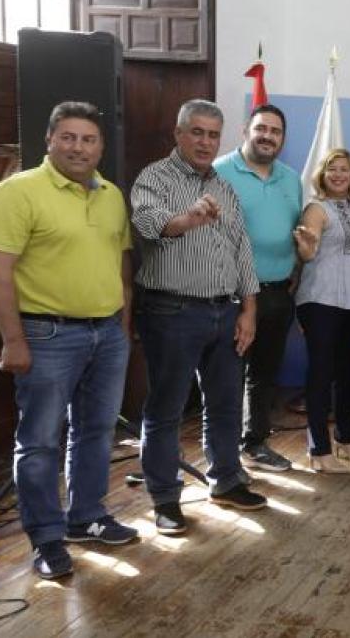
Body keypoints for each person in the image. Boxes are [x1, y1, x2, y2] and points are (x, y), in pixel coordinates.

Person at [0, 101, 138, 579]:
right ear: (49, 140)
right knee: (41, 441)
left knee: (97, 432)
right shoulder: (17, 192)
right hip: (45, 335)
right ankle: (46, 537)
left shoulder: (111, 194)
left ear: (101, 147)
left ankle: (86, 516)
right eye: (68, 137)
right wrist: (13, 339)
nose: (78, 147)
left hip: (107, 332)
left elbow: (121, 266)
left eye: (88, 139)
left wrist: (123, 329)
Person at [131, 99, 265, 535]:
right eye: (197, 132)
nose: (205, 142)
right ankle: (165, 499)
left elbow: (241, 247)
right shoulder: (154, 177)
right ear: (179, 133)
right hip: (171, 311)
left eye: (212, 134)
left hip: (225, 312)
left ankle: (225, 480)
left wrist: (249, 309)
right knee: (166, 409)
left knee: (226, 404)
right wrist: (187, 218)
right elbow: (148, 224)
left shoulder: (224, 187)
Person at [214, 103, 302, 473]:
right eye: (261, 128)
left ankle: (255, 443)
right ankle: (222, 454)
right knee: (227, 375)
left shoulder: (290, 177)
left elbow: (297, 231)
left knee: (265, 373)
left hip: (279, 292)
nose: (268, 136)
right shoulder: (218, 172)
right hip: (232, 295)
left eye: (276, 131)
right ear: (245, 130)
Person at [292, 148, 350, 473]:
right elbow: (308, 253)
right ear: (322, 174)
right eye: (332, 169)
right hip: (320, 300)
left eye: (345, 170)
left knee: (348, 375)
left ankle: (347, 441)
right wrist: (307, 246)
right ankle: (318, 449)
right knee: (321, 375)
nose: (339, 175)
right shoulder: (316, 208)